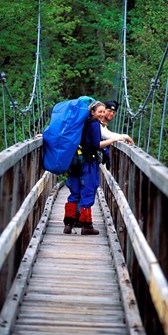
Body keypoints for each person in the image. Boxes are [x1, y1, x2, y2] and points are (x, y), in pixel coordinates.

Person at [63, 101, 126, 235]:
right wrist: (113, 141)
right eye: (100, 112)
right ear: (92, 112)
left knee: (74, 193)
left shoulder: (81, 122)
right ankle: (86, 226)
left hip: (75, 162)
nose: (103, 114)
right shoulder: (95, 124)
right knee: (88, 192)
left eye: (104, 112)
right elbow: (96, 145)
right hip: (88, 163)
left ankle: (68, 224)